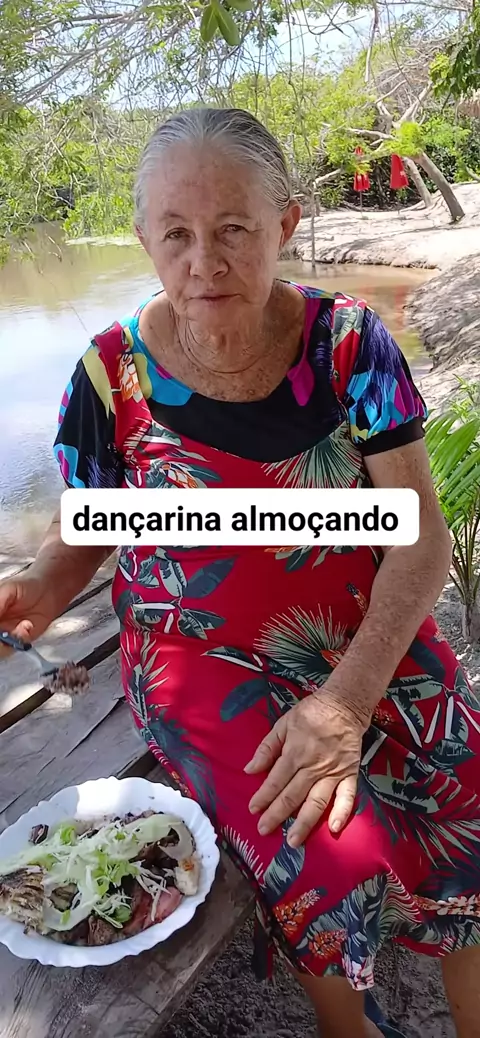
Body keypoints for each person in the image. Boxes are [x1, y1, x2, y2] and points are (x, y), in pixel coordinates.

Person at [1, 107, 480, 1038]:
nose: (204, 263)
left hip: (366, 628)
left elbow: (421, 539)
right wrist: (41, 588)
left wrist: (347, 700)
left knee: (471, 796)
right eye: (176, 234)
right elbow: (88, 525)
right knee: (325, 850)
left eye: (232, 230)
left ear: (285, 225)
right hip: (200, 653)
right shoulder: (108, 375)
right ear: (144, 237)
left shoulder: (350, 344)